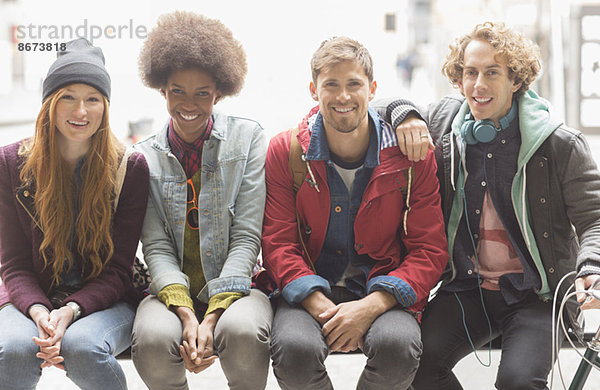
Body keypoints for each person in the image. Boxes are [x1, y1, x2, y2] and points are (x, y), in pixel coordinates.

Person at [379, 21, 600, 389]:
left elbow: (595, 218)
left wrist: (590, 266)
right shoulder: (445, 123)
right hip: (466, 288)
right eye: (470, 72)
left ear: (516, 81)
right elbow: (378, 104)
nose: (478, 85)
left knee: (517, 382)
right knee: (412, 365)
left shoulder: (560, 144)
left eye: (492, 73)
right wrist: (407, 115)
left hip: (537, 296)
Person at [260, 36, 449, 390]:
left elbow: (430, 249)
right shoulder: (285, 151)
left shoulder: (412, 156)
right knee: (294, 351)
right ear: (314, 90)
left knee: (399, 348)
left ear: (372, 88)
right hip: (307, 291)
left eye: (354, 84)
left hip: (383, 288)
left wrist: (369, 307)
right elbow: (277, 243)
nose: (343, 96)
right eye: (331, 85)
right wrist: (323, 309)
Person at [130, 11, 272, 390]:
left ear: (219, 92)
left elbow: (246, 237)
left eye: (202, 93)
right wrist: (185, 314)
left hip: (239, 287)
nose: (188, 104)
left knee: (243, 332)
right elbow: (156, 247)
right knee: (152, 338)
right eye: (177, 91)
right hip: (170, 294)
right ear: (162, 89)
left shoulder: (248, 141)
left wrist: (212, 316)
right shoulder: (142, 157)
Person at [0, 38, 149, 390]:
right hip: (31, 295)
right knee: (15, 348)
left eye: (92, 99)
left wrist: (70, 311)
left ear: (105, 106)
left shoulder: (129, 167)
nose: (80, 111)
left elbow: (119, 269)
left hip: (105, 299)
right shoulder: (10, 164)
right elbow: (13, 264)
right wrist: (39, 311)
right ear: (49, 103)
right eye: (67, 96)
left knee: (82, 346)